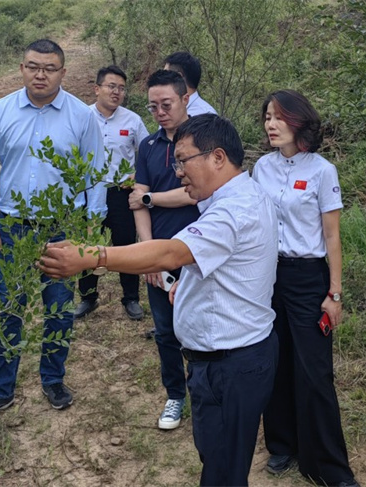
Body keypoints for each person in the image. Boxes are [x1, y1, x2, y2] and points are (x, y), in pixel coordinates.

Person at [38, 113, 280, 487]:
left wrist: (92, 256)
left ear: (217, 158)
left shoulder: (234, 210)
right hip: (227, 359)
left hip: (232, 365)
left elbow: (169, 253)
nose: (178, 171)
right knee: (219, 462)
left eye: (183, 160)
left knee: (223, 473)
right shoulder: (242, 196)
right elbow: (231, 268)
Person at [0, 39, 107, 424]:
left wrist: (89, 230)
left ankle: (53, 379)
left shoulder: (81, 116)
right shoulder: (0, 111)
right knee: (7, 308)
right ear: (22, 68)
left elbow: (94, 174)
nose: (40, 74)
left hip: (63, 228)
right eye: (33, 66)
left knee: (58, 308)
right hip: (12, 228)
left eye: (49, 68)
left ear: (63, 72)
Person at [252, 90, 360, 487]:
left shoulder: (321, 170)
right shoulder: (261, 167)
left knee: (315, 373)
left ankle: (329, 466)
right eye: (266, 118)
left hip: (307, 278)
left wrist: (334, 294)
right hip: (268, 276)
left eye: (279, 117)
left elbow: (332, 237)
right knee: (275, 363)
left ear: (299, 122)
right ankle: (283, 445)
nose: (271, 125)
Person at [131, 70, 201, 430]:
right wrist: (147, 252)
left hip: (200, 253)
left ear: (185, 99)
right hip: (159, 250)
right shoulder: (148, 146)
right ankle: (175, 395)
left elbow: (195, 193)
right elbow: (136, 201)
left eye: (166, 104)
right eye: (152, 106)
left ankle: (204, 391)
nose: (159, 112)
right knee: (165, 330)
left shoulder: (205, 138)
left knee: (202, 326)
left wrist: (149, 197)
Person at [74, 65, 149, 321]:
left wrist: (137, 174)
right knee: (87, 246)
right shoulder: (81, 116)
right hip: (87, 192)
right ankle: (88, 297)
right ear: (97, 89)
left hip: (120, 193)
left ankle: (131, 298)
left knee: (125, 245)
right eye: (111, 86)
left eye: (121, 88)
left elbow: (148, 153)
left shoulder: (132, 120)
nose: (117, 92)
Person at [163, 51, 217, 116]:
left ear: (178, 77)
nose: (162, 79)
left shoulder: (206, 116)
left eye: (165, 75)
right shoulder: (167, 112)